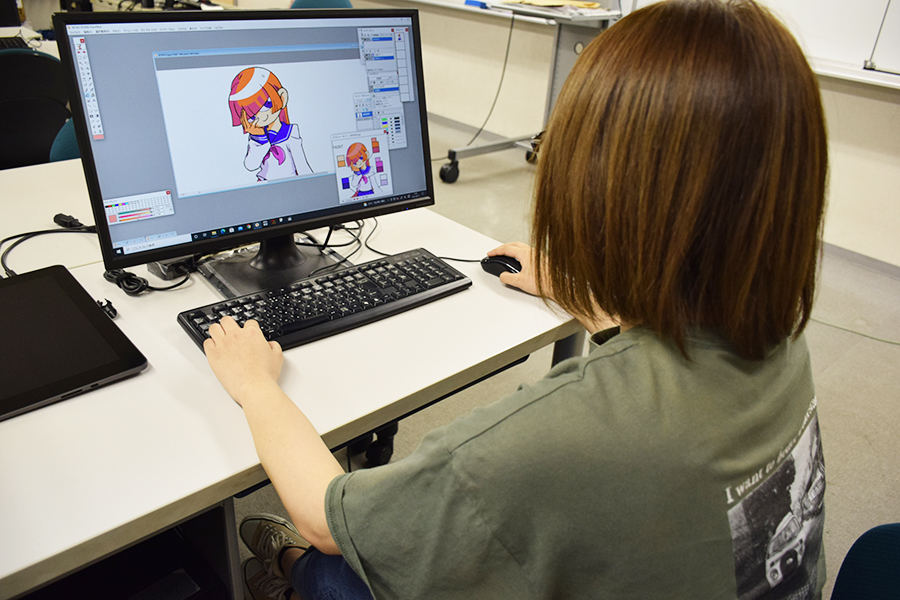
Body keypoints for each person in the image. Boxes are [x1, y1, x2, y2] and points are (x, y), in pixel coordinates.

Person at [204, 0, 829, 598]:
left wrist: (255, 385)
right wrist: (586, 288)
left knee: (333, 566)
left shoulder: (550, 439)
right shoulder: (780, 337)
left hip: (338, 530)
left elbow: (325, 516)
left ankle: (287, 571)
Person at [228, 66, 315, 182]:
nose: (261, 116)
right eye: (252, 115)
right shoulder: (257, 137)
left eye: (266, 105)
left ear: (282, 98)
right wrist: (259, 137)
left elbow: (302, 166)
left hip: (290, 185)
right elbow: (251, 165)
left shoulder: (290, 133)